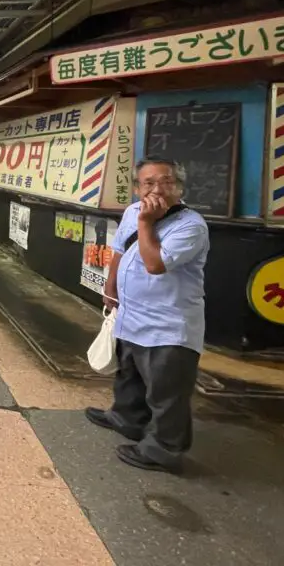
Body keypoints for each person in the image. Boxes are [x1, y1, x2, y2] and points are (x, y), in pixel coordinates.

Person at [85, 156, 209, 472]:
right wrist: (110, 290)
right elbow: (120, 252)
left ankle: (164, 450)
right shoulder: (131, 211)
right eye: (148, 183)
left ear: (178, 188)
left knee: (166, 391)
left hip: (167, 323)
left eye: (165, 182)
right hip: (131, 315)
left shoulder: (191, 226)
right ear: (138, 188)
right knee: (129, 375)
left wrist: (146, 223)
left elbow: (155, 264)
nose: (156, 189)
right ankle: (126, 419)